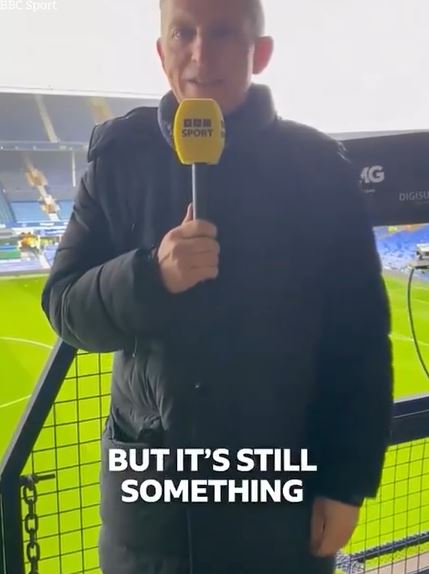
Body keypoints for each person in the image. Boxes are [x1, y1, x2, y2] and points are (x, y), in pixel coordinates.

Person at [41, 0, 393, 572]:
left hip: (277, 500)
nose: (200, 54)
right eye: (183, 32)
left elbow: (359, 340)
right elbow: (63, 306)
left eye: (224, 33)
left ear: (262, 52)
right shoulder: (118, 156)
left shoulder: (319, 168)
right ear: (161, 51)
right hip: (153, 512)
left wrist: (346, 482)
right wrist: (149, 275)